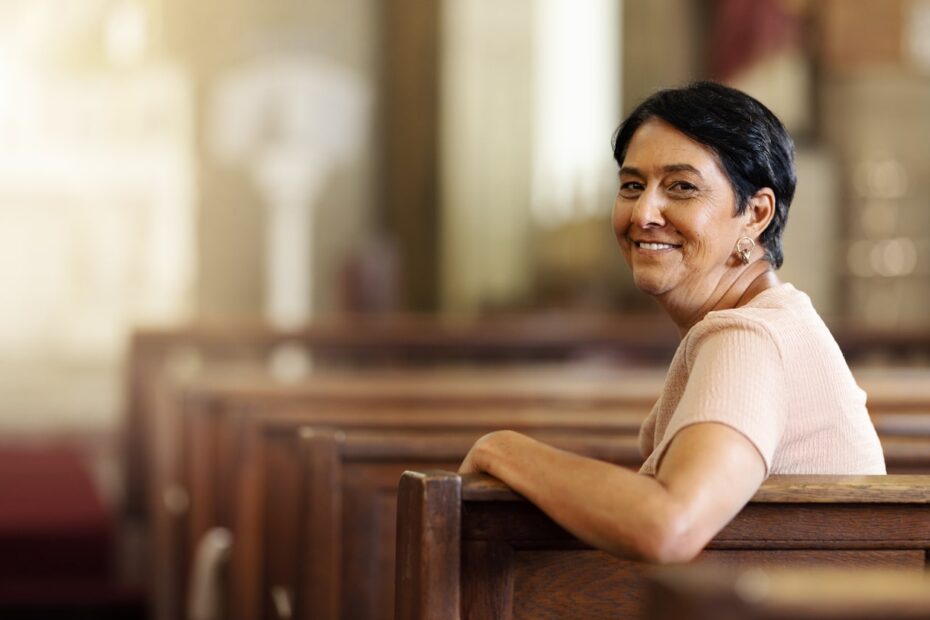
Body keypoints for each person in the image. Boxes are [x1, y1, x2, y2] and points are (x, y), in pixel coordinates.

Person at [459, 81, 885, 563]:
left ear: (756, 214)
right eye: (632, 186)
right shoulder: (772, 319)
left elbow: (668, 525)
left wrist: (502, 449)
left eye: (681, 187)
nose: (643, 213)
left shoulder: (749, 336)